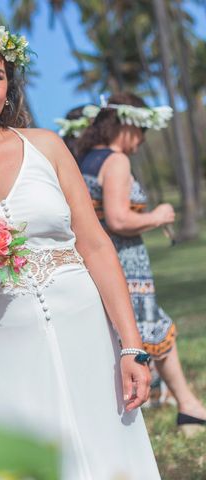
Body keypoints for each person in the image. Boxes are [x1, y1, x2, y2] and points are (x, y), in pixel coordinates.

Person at [0, 17, 160, 480]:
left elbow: (97, 246)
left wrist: (132, 348)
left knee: (111, 453)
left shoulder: (46, 146)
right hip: (3, 343)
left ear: (9, 88)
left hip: (85, 325)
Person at [76, 92, 206, 436]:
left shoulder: (86, 158)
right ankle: (188, 407)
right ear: (128, 125)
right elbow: (118, 219)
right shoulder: (116, 161)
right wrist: (157, 215)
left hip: (100, 262)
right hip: (124, 264)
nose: (144, 140)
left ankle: (187, 405)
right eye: (142, 131)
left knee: (139, 333)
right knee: (152, 330)